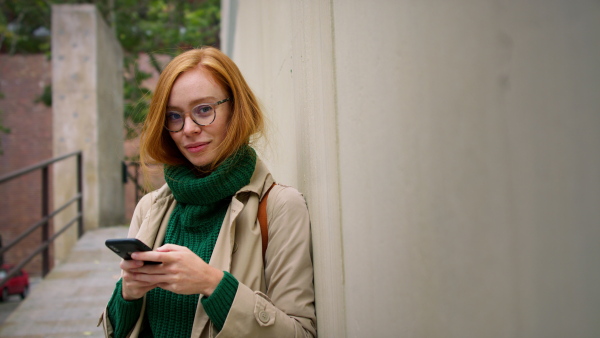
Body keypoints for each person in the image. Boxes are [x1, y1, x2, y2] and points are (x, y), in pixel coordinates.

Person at [99, 47, 316, 337]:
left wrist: (213, 285)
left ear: (235, 109)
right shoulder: (149, 208)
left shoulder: (279, 207)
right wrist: (127, 294)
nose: (188, 128)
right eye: (174, 116)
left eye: (204, 110)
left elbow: (301, 333)